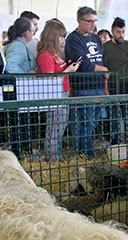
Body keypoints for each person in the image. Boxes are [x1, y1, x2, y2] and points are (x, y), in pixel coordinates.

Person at [65, 6, 109, 158]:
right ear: (79, 20)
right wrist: (103, 69)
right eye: (89, 21)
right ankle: (85, 154)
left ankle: (84, 151)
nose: (92, 24)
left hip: (97, 85)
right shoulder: (73, 39)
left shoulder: (96, 38)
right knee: (86, 121)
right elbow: (82, 64)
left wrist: (104, 76)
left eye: (94, 21)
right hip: (84, 86)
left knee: (94, 120)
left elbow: (102, 59)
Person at [37, 20, 81, 161]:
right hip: (54, 95)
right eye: (61, 36)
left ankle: (56, 155)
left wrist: (68, 67)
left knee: (59, 127)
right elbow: (49, 80)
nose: (63, 39)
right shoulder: (46, 56)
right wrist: (68, 70)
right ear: (53, 36)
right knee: (54, 128)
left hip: (63, 92)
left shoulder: (55, 54)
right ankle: (52, 158)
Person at [103, 17, 128, 144]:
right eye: (118, 31)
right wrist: (105, 89)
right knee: (113, 116)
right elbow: (104, 70)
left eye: (123, 31)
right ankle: (114, 143)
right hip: (112, 87)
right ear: (112, 31)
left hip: (126, 87)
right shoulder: (105, 48)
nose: (121, 35)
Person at [4, 17, 37, 157]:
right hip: (18, 89)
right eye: (33, 28)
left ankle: (24, 150)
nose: (34, 31)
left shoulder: (19, 44)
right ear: (27, 32)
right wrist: (26, 74)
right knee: (20, 122)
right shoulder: (18, 46)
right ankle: (20, 151)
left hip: (21, 89)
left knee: (22, 121)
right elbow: (10, 66)